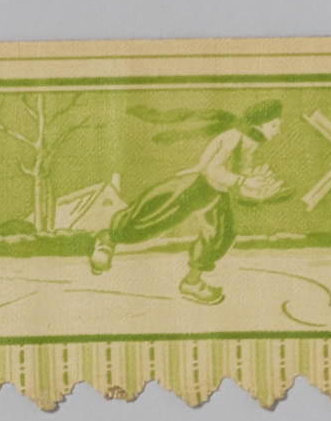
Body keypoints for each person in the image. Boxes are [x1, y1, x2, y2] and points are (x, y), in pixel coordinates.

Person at [92, 100, 288, 305]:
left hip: (215, 194)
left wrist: (258, 188)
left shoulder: (251, 142)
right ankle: (107, 240)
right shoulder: (233, 137)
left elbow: (237, 176)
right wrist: (243, 181)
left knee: (220, 237)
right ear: (260, 124)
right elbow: (212, 171)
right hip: (195, 187)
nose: (278, 130)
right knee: (151, 218)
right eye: (274, 125)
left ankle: (192, 283)